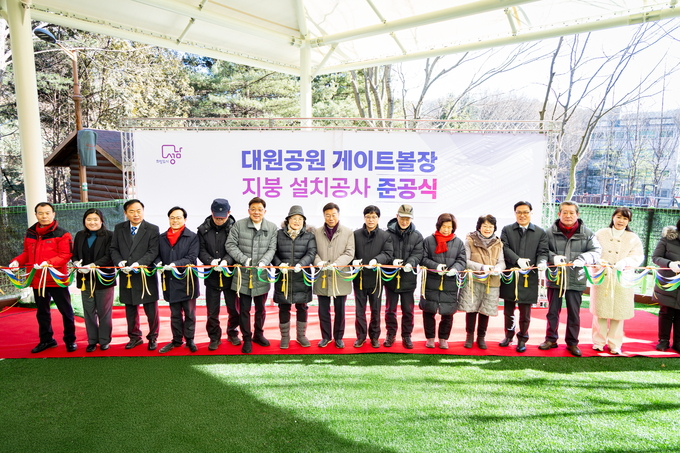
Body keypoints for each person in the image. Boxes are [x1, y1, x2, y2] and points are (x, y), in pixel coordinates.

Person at [9, 202, 76, 353]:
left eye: (47, 213)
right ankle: (46, 340)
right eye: (40, 213)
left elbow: (65, 255)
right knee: (42, 312)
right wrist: (17, 261)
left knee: (66, 311)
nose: (44, 216)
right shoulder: (30, 233)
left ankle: (70, 340)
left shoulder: (62, 234)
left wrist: (49, 263)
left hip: (56, 279)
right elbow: (26, 253)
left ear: (53, 214)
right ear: (36, 215)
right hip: (37, 280)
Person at [540, 201, 601, 357]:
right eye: (565, 212)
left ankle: (572, 343)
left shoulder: (588, 233)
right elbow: (542, 250)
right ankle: (551, 339)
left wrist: (583, 258)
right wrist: (553, 258)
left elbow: (596, 251)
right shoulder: (549, 233)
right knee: (552, 311)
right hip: (555, 277)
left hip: (576, 278)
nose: (568, 215)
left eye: (571, 212)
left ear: (577, 214)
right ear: (559, 214)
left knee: (574, 313)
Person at [225, 197, 278, 354]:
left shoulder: (271, 227)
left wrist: (264, 262)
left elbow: (272, 248)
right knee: (244, 309)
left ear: (265, 211)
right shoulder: (239, 225)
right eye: (253, 209)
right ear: (249, 211)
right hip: (243, 275)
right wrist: (244, 260)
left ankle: (258, 334)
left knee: (261, 308)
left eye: (260, 209)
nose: (256, 212)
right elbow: (230, 244)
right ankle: (247, 338)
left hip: (261, 275)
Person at [591, 207, 644, 355]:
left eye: (625, 218)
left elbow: (638, 256)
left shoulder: (633, 238)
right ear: (613, 217)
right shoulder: (601, 233)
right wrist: (598, 261)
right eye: (619, 217)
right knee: (600, 312)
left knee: (619, 314)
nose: (621, 221)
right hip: (603, 277)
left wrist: (626, 262)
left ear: (629, 221)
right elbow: (593, 251)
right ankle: (598, 342)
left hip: (622, 279)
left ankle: (615, 344)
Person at [110, 199, 160, 350]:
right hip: (127, 275)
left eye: (139, 210)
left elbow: (153, 251)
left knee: (151, 309)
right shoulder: (119, 228)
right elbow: (113, 248)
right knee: (130, 309)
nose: (136, 214)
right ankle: (134, 337)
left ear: (143, 211)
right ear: (125, 213)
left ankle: (153, 337)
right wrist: (119, 262)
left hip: (145, 275)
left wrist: (139, 263)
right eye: (131, 211)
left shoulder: (152, 229)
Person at [499, 201, 549, 353]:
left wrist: (542, 262)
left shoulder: (540, 232)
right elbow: (504, 247)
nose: (522, 215)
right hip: (511, 275)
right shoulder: (507, 230)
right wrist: (517, 260)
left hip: (529, 277)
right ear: (515, 213)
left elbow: (543, 251)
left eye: (526, 212)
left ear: (531, 213)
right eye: (519, 212)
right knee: (508, 310)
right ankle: (508, 335)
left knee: (525, 312)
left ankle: (522, 338)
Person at [197, 198, 240, 351]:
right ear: (211, 212)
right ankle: (214, 337)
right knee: (212, 311)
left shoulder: (235, 228)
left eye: (223, 217)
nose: (219, 220)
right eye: (216, 217)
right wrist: (210, 261)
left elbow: (236, 247)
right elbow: (200, 250)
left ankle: (232, 332)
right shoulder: (203, 229)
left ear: (229, 213)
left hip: (230, 274)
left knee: (234, 308)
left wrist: (226, 261)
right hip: (211, 274)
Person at [272, 205, 317, 349]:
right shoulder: (278, 234)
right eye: (294, 218)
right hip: (283, 277)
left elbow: (311, 253)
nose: (297, 221)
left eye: (300, 219)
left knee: (302, 307)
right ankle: (285, 337)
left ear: (304, 221)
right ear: (288, 220)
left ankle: (301, 336)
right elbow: (273, 252)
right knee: (283, 307)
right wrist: (279, 264)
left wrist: (301, 264)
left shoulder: (309, 236)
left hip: (301, 277)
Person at [71, 208, 116, 353]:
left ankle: (104, 340)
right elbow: (75, 254)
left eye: (95, 219)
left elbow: (109, 255)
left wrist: (93, 265)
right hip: (85, 279)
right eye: (89, 219)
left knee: (104, 311)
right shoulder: (80, 235)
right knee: (88, 311)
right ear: (84, 221)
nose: (92, 222)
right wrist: (76, 263)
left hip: (103, 278)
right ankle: (92, 340)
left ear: (101, 221)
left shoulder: (110, 235)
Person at [419, 213, 467, 349]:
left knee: (448, 312)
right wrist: (436, 266)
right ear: (438, 226)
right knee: (429, 311)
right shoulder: (429, 240)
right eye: (444, 226)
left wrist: (455, 269)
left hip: (449, 282)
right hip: (431, 280)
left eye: (449, 227)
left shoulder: (458, 243)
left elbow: (462, 260)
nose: (446, 230)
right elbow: (423, 258)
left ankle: (443, 338)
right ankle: (430, 338)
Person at [156, 207, 200, 354]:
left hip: (187, 281)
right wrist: (158, 263)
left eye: (178, 217)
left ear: (185, 219)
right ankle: (176, 340)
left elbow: (192, 257)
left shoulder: (192, 237)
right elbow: (156, 254)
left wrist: (175, 264)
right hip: (170, 281)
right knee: (175, 313)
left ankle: (190, 339)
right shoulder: (162, 237)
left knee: (189, 313)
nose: (175, 220)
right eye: (172, 218)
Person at [459, 215, 505, 350]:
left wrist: (498, 268)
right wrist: (482, 267)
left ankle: (481, 337)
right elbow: (465, 261)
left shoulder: (499, 243)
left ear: (494, 228)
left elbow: (502, 261)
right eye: (485, 226)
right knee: (471, 309)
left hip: (491, 281)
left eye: (491, 226)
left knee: (485, 310)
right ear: (479, 227)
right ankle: (469, 336)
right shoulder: (469, 241)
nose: (487, 229)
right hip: (473, 280)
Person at [313, 203, 355, 349]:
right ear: (324, 216)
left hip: (340, 276)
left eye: (333, 215)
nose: (331, 218)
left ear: (339, 215)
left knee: (340, 310)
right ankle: (326, 337)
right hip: (323, 276)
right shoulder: (316, 232)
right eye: (328, 215)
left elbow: (349, 252)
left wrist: (337, 264)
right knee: (323, 309)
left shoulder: (348, 232)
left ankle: (338, 337)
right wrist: (318, 262)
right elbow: (312, 251)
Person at [352, 205, 393, 348]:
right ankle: (361, 336)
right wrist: (354, 261)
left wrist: (377, 260)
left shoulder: (385, 236)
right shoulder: (355, 234)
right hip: (359, 278)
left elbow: (388, 254)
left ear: (378, 218)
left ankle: (374, 337)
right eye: (368, 216)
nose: (371, 220)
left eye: (374, 217)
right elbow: (350, 252)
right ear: (364, 217)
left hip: (376, 279)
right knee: (360, 310)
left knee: (376, 309)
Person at [383, 204, 423, 349]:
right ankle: (391, 334)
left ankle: (407, 335)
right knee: (390, 309)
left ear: (411, 219)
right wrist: (392, 261)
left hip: (408, 279)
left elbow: (418, 253)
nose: (405, 221)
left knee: (408, 310)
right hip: (391, 278)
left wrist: (411, 263)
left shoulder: (417, 236)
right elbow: (385, 252)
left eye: (408, 219)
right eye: (402, 218)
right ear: (397, 216)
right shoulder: (387, 234)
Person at [652, 218, 680, 353]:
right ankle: (663, 340)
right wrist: (670, 264)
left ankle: (678, 342)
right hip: (668, 281)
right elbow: (655, 257)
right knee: (666, 312)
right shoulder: (668, 238)